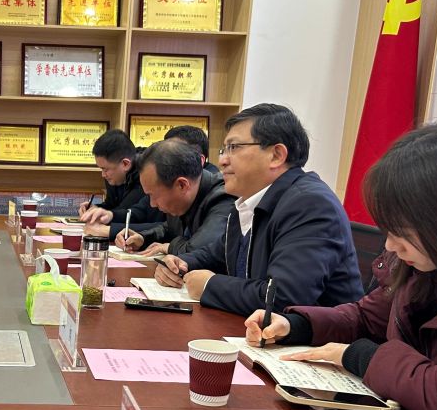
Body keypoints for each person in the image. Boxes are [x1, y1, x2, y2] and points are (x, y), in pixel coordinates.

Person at [245, 117, 437, 410]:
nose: (389, 245)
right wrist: (297, 326)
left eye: (402, 232)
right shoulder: (433, 263)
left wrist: (361, 357)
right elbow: (367, 317)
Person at [155, 103, 363, 315]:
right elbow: (217, 254)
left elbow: (283, 298)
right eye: (224, 149)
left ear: (276, 155)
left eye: (234, 147)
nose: (222, 160)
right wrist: (180, 263)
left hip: (312, 335)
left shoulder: (310, 204)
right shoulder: (248, 202)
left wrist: (210, 285)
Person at [114, 140, 234, 257]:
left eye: (153, 195)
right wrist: (143, 238)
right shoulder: (184, 198)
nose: (152, 204)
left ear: (182, 185)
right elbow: (169, 228)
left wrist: (169, 247)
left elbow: (202, 250)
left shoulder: (223, 198)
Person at [78, 129, 163, 240]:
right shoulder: (114, 172)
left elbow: (130, 212)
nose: (103, 175)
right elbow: (126, 210)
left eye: (105, 169)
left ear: (125, 164)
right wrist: (96, 209)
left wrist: (109, 229)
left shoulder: (147, 174)